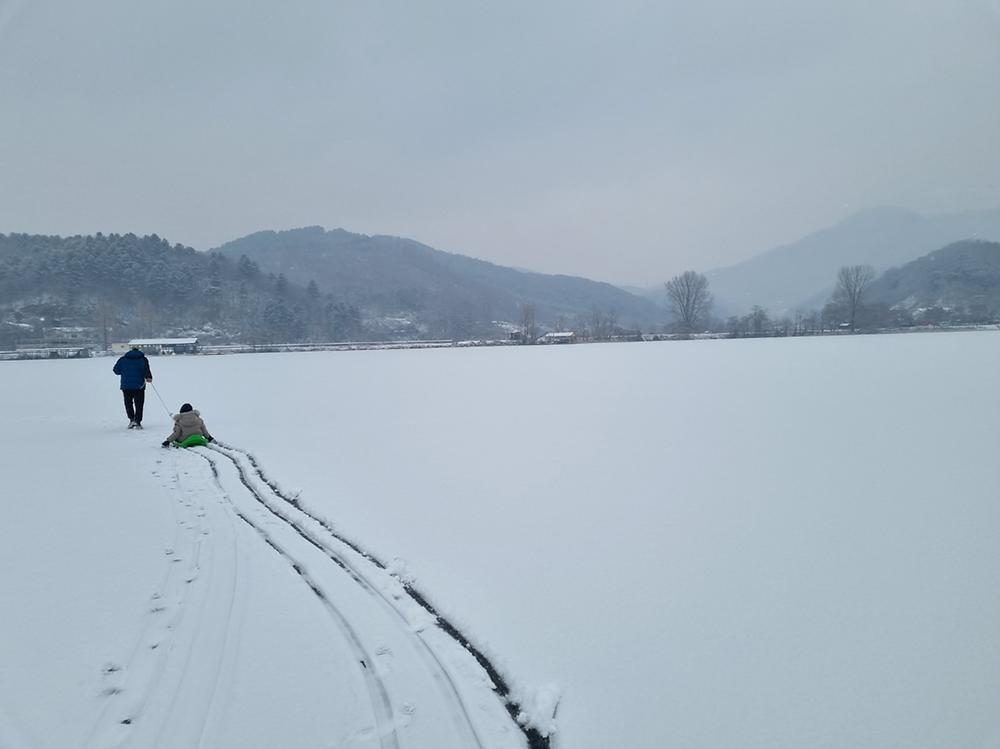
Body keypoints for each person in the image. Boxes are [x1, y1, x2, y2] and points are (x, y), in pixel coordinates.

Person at [112, 344, 153, 429]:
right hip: (139, 386)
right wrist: (149, 377)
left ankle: (131, 419)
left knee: (128, 403)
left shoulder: (123, 359)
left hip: (126, 386)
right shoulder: (143, 359)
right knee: (139, 404)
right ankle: (137, 421)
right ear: (139, 351)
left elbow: (116, 370)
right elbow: (146, 370)